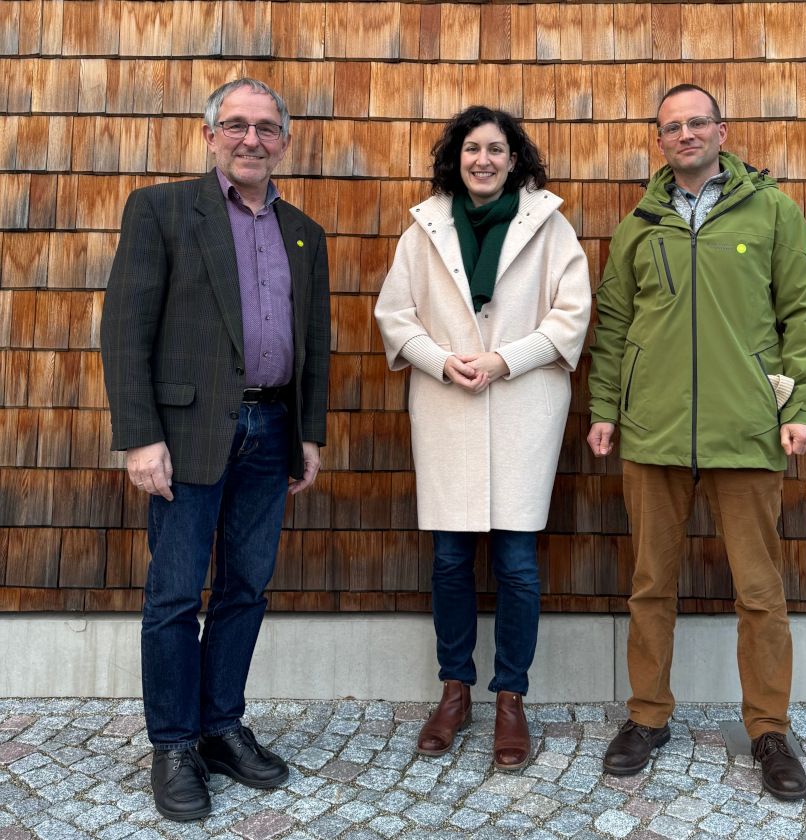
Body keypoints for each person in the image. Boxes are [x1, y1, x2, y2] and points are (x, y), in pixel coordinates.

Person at [587, 84, 806, 801]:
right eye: (673, 126)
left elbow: (805, 312)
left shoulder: (773, 212)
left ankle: (769, 729)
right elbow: (614, 325)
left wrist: (803, 404)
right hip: (653, 432)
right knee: (649, 586)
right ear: (658, 140)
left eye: (698, 123)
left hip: (747, 429)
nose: (686, 134)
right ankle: (647, 717)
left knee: (759, 592)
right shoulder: (640, 223)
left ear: (722, 132)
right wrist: (606, 409)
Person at [100, 78, 330, 821]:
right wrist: (140, 436)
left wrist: (309, 433)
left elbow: (314, 346)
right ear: (210, 135)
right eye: (237, 125)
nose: (251, 139)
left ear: (283, 142)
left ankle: (221, 727)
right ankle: (173, 744)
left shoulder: (304, 231)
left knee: (245, 590)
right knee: (173, 597)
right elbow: (125, 331)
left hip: (270, 434)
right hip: (187, 434)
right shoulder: (163, 210)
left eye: (266, 129)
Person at [375, 106, 591, 771]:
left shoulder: (551, 227)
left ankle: (510, 698)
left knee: (517, 564)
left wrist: (506, 360)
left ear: (515, 158)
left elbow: (572, 313)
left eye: (497, 149)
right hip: (447, 404)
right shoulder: (424, 228)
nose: (484, 160)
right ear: (456, 156)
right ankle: (454, 689)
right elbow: (394, 313)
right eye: (472, 149)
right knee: (448, 560)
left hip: (522, 404)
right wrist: (442, 361)